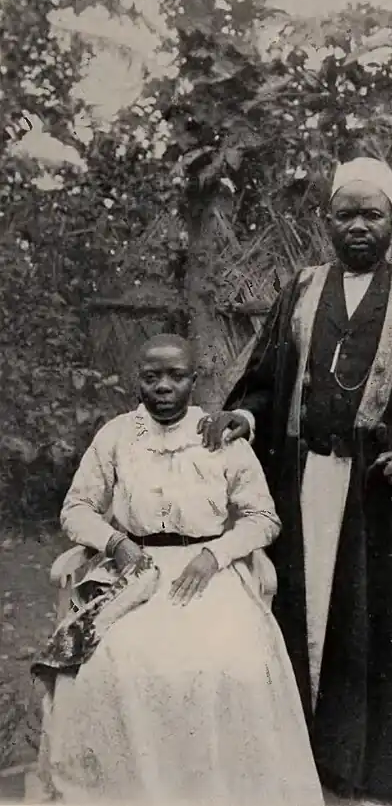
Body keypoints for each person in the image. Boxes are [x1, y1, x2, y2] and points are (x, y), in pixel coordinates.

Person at [198, 158, 392, 804]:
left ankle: (375, 769)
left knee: (374, 626)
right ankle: (298, 760)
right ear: (326, 220)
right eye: (345, 213)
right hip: (300, 492)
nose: (357, 226)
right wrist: (243, 415)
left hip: (382, 504)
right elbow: (264, 380)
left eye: (370, 214)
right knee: (295, 617)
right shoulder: (299, 291)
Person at [31, 333, 325, 806]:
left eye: (175, 376)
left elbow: (263, 518)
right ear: (139, 381)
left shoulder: (221, 435)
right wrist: (115, 542)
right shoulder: (117, 435)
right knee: (112, 666)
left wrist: (217, 554)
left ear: (195, 379)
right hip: (131, 572)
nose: (163, 387)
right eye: (152, 377)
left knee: (230, 664)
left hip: (211, 571)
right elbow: (77, 508)